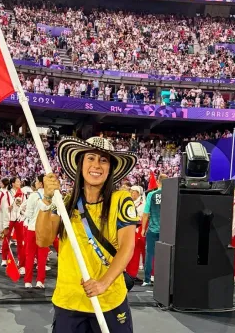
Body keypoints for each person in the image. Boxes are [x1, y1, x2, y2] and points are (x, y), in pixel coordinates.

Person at [35, 136, 138, 332]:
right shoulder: (65, 202)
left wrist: (103, 284)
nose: (96, 165)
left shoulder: (121, 200)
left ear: (110, 169)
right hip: (69, 301)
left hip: (109, 300)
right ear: (80, 164)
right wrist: (47, 199)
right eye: (90, 158)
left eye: (104, 160)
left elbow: (127, 246)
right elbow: (42, 240)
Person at [23, 174, 50, 289]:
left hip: (32, 228)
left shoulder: (33, 195)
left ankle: (28, 281)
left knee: (30, 256)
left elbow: (28, 214)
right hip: (45, 230)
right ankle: (40, 281)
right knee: (42, 257)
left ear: (40, 183)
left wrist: (22, 212)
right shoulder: (54, 195)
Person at [142, 174, 167, 287]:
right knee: (166, 255)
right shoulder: (171, 195)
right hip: (167, 231)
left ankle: (147, 279)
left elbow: (146, 213)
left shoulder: (151, 194)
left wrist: (143, 228)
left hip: (153, 229)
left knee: (150, 254)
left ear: (158, 182)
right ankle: (164, 280)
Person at [2, 177, 26, 273]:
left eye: (20, 181)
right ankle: (4, 258)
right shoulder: (7, 193)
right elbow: (5, 206)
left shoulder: (23, 194)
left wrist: (21, 211)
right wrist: (10, 207)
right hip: (9, 218)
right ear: (12, 183)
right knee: (6, 238)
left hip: (19, 218)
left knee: (21, 241)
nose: (19, 183)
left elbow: (24, 205)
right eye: (17, 181)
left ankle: (22, 263)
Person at [126, 185, 145, 280]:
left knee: (137, 253)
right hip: (129, 230)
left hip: (138, 231)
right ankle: (129, 273)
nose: (132, 193)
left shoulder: (142, 205)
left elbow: (142, 217)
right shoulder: (128, 203)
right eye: (131, 191)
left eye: (134, 192)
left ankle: (133, 274)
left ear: (138, 194)